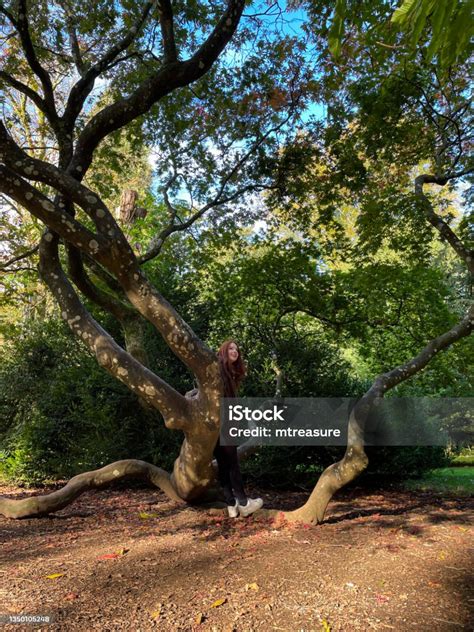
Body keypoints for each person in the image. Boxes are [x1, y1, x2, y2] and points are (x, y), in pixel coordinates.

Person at [214, 340, 264, 518]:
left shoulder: (228, 372)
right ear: (223, 350)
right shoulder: (219, 368)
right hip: (222, 422)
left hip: (216, 423)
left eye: (237, 349)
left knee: (223, 463)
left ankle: (231, 504)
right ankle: (243, 502)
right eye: (231, 348)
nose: (235, 351)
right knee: (232, 462)